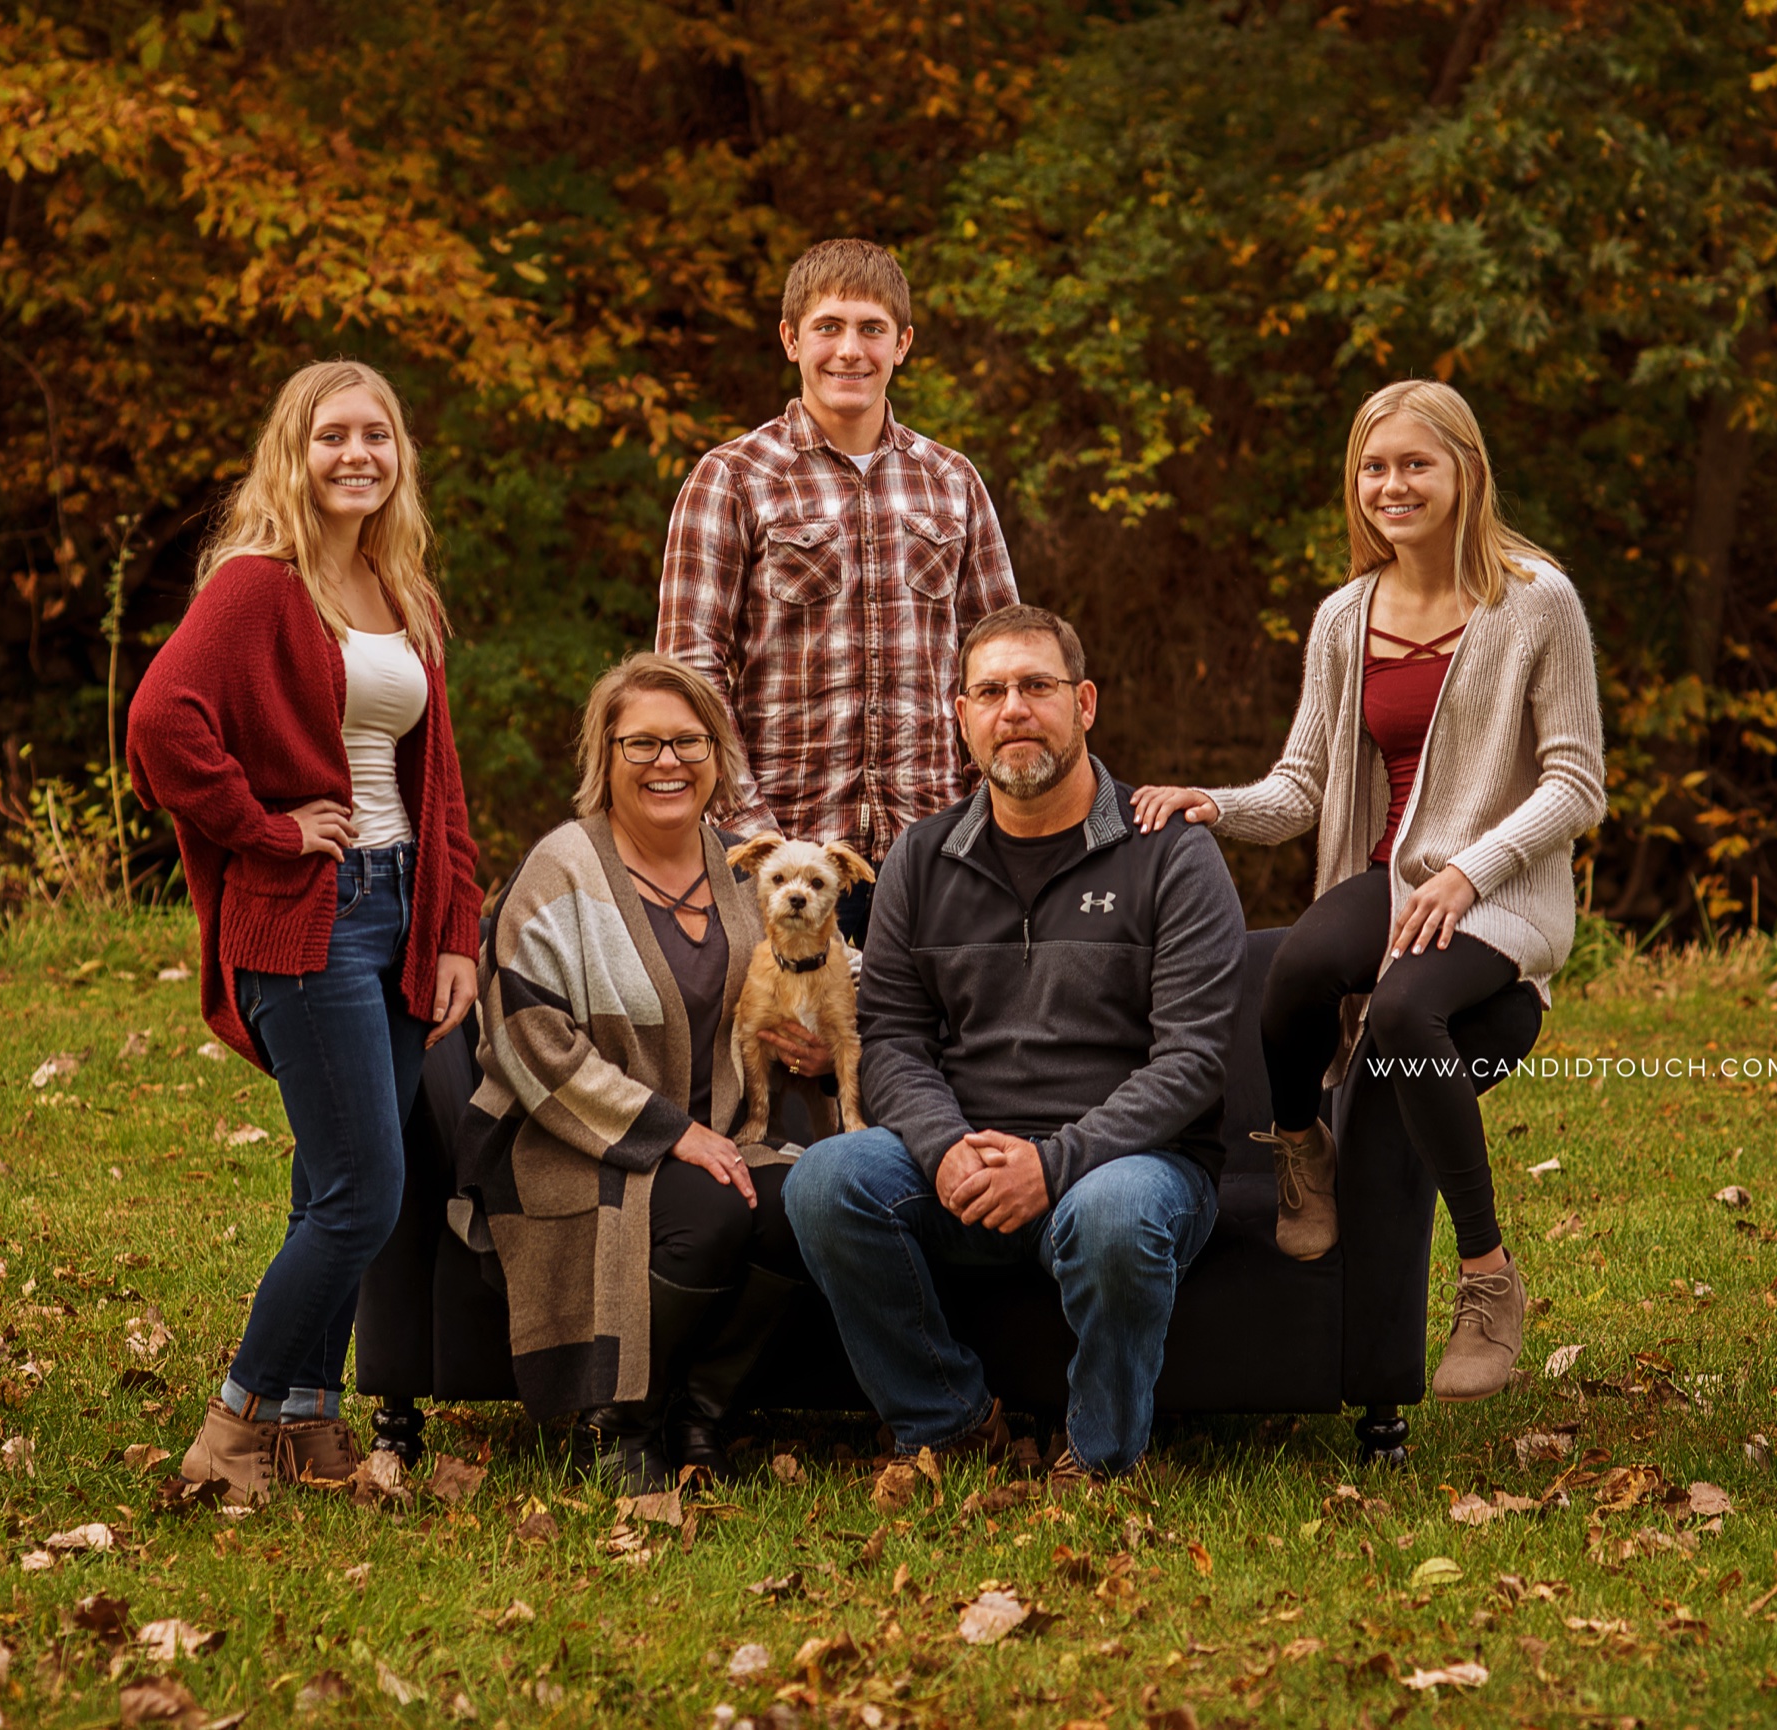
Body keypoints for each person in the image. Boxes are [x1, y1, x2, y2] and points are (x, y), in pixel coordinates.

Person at [1132, 380, 1606, 1404]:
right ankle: (1303, 1143)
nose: (1392, 484)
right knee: (1299, 967)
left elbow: (1576, 783)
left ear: (1464, 472)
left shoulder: (1536, 600)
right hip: (1385, 874)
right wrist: (1209, 802)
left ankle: (1487, 1277)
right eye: (1374, 467)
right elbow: (1302, 788)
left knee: (1398, 1009)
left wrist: (1471, 870)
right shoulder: (1348, 615)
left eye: (1415, 464)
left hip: (1500, 889)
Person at [127, 359, 484, 1498]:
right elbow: (160, 726)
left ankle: (310, 1420)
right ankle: (232, 1426)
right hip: (308, 919)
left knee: (332, 1184)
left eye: (375, 435)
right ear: (296, 450)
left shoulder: (401, 588)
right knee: (362, 1194)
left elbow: (444, 789)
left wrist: (458, 930)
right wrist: (269, 833)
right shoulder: (256, 587)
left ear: (398, 456)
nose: (356, 455)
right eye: (332, 435)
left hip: (399, 911)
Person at [787, 604, 1245, 1481]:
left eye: (1036, 687)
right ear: (960, 716)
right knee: (827, 1180)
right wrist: (944, 1145)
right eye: (990, 691)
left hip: (1133, 1165)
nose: (1014, 709)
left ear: (1085, 703)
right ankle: (948, 1427)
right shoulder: (921, 857)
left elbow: (1194, 1059)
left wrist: (1056, 1161)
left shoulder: (1170, 855)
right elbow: (891, 1039)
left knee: (1114, 1212)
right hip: (960, 1158)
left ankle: (1103, 1457)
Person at [449, 654, 829, 1490]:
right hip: (567, 1136)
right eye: (643, 744)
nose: (668, 763)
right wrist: (670, 1132)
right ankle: (619, 1425)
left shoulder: (742, 870)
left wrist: (823, 1045)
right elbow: (527, 1037)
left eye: (689, 742)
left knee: (808, 1206)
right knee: (715, 1215)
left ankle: (701, 1418)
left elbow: (818, 971)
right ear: (605, 756)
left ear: (718, 757)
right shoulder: (561, 871)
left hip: (719, 1133)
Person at [655, 238, 1018, 941]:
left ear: (902, 344)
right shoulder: (732, 477)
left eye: (871, 329)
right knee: (797, 1051)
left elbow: (1001, 664)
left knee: (934, 1051)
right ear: (791, 339)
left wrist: (984, 821)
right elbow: (687, 680)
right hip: (788, 862)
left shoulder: (951, 480)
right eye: (828, 327)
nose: (849, 350)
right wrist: (755, 841)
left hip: (937, 857)